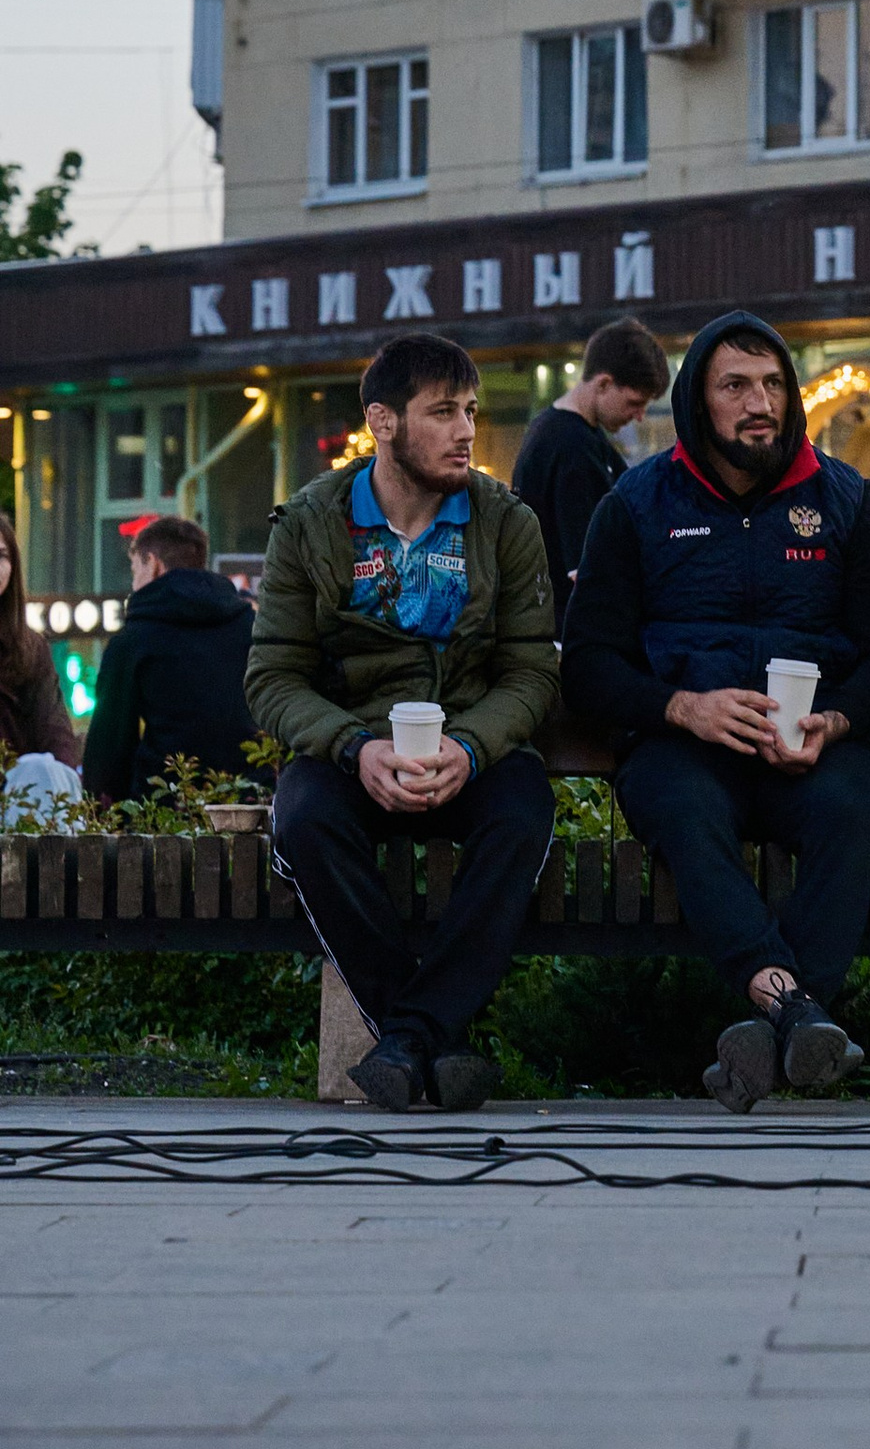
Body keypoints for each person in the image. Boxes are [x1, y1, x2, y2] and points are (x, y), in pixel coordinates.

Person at [565, 312, 870, 1113]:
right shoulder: (637, 503)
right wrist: (682, 706)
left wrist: (839, 721)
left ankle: (773, 1021)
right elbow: (586, 665)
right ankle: (801, 1013)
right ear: (696, 401)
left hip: (809, 750)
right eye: (735, 386)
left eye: (773, 384)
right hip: (685, 748)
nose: (761, 403)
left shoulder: (849, 502)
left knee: (857, 801)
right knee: (679, 805)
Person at [251, 333, 558, 1114]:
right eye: (443, 412)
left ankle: (405, 1041)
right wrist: (353, 747)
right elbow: (273, 677)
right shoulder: (312, 523)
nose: (465, 430)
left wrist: (472, 744)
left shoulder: (504, 523)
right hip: (355, 747)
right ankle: (430, 1037)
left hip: (470, 751)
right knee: (305, 817)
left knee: (523, 812)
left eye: (470, 411)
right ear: (382, 421)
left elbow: (531, 671)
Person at [83, 515, 255, 806]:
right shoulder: (250, 625)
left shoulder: (134, 639)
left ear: (153, 563)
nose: (134, 582)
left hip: (165, 807)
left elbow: (110, 743)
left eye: (134, 568)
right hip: (249, 801)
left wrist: (108, 805)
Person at [510, 317, 669, 612]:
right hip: (565, 629)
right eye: (634, 403)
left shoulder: (570, 431)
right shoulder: (571, 446)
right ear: (604, 384)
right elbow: (585, 571)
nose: (640, 416)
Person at [0, 508, 83, 820]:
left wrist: (60, 778)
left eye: (3, 556)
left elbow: (54, 730)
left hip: (19, 807)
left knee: (42, 767)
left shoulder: (29, 647)